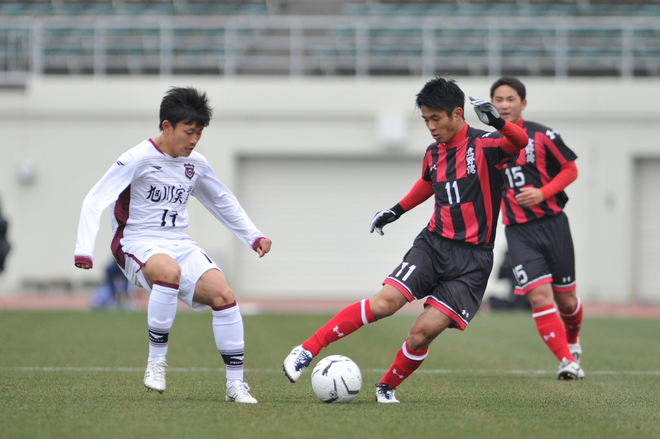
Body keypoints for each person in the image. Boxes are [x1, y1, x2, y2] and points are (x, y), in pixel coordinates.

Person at [283, 77, 529, 403]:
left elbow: (520, 141)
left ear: (458, 114)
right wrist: (395, 210)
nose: (430, 126)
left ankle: (386, 386)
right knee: (384, 303)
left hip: (472, 262)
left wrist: (497, 121)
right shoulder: (433, 153)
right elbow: (427, 184)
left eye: (435, 119)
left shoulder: (487, 145)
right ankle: (307, 349)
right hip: (433, 246)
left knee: (421, 334)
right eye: (426, 119)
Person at [74, 87, 272, 403]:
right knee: (169, 270)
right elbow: (96, 198)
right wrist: (83, 247)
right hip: (134, 243)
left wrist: (253, 236)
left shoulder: (195, 163)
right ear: (167, 126)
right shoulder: (137, 158)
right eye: (188, 132)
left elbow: (221, 200)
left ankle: (235, 386)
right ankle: (156, 363)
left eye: (199, 133)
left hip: (178, 243)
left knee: (224, 294)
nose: (194, 140)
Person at [490, 76, 583, 380]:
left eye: (510, 99)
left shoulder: (543, 136)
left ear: (523, 104)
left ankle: (573, 341)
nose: (504, 105)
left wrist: (543, 192)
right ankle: (568, 361)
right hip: (518, 232)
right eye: (498, 100)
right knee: (539, 296)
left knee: (566, 300)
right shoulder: (487, 143)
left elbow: (571, 169)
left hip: (553, 225)